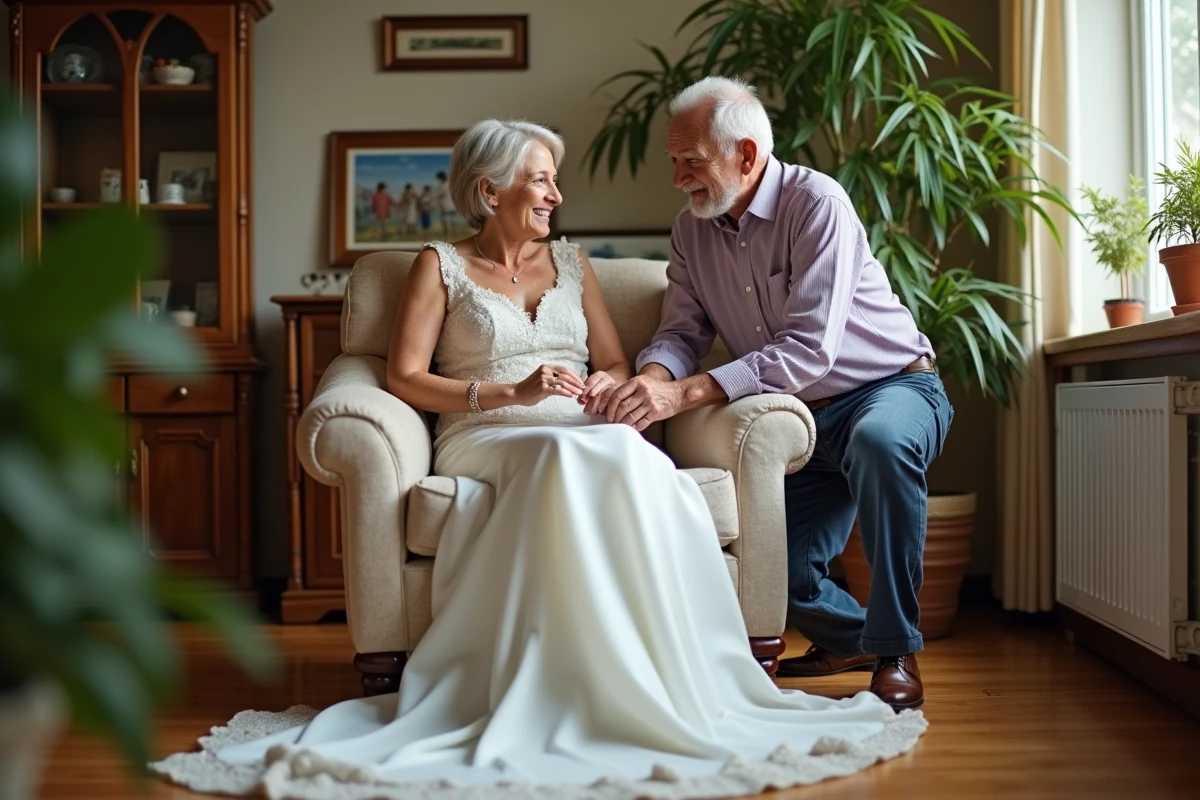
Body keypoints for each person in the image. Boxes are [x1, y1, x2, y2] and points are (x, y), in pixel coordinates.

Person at [151, 119, 925, 799]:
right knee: (562, 458)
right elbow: (404, 377)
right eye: (542, 180)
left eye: (555, 181)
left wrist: (608, 386)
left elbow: (617, 362)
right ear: (490, 191)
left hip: (581, 427)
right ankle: (543, 688)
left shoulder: (575, 264)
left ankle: (637, 681)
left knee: (630, 458)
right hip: (487, 432)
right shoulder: (437, 265)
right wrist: (507, 392)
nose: (556, 195)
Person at [601, 76, 953, 711]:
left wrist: (686, 395)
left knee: (879, 443)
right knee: (770, 569)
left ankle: (896, 653)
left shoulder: (817, 204)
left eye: (691, 161)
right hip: (798, 421)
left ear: (745, 154)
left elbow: (809, 349)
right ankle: (854, 641)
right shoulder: (690, 231)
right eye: (673, 161)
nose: (677, 179)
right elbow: (681, 333)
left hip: (891, 388)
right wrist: (651, 382)